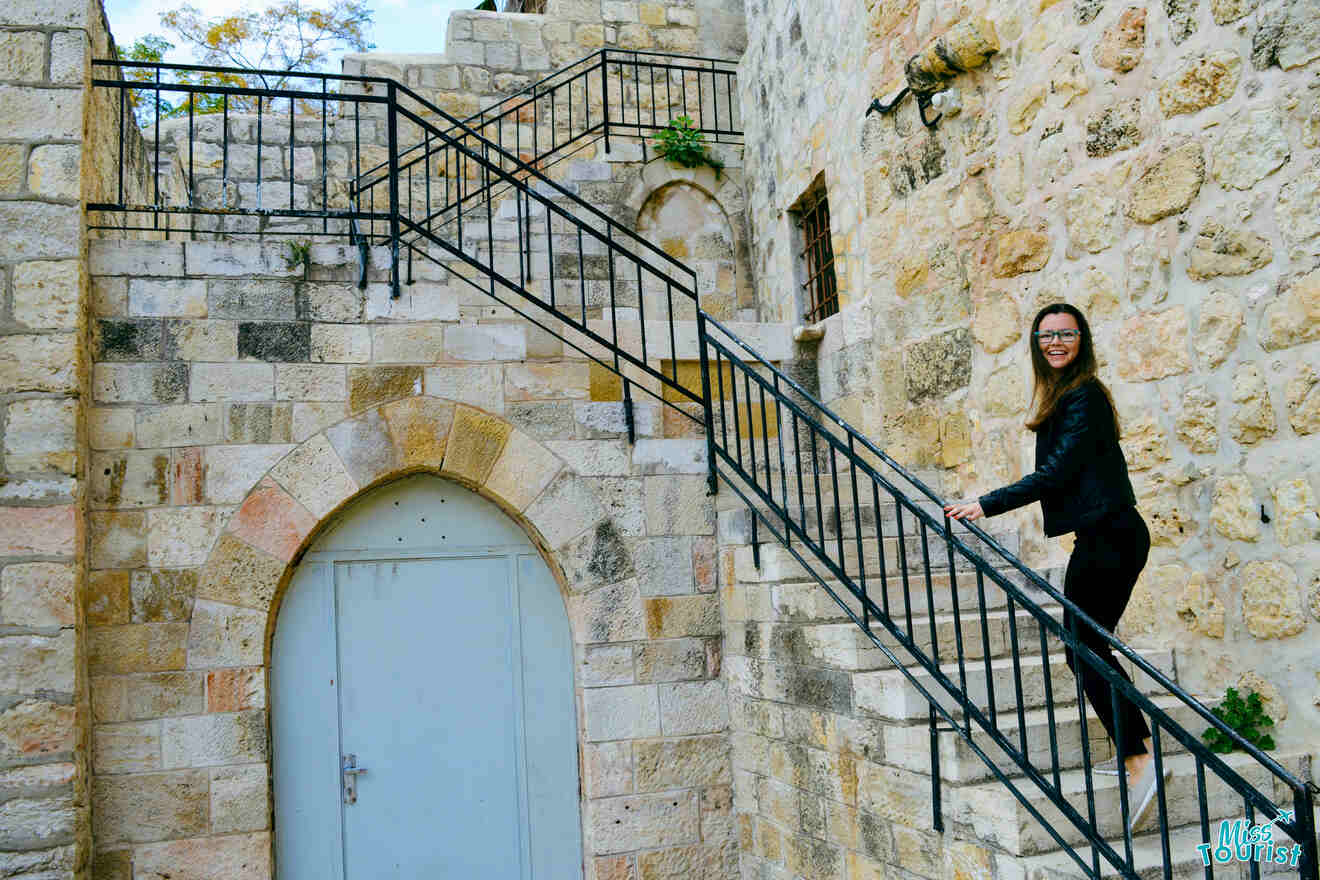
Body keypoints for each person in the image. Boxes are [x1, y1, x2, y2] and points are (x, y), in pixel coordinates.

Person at [943, 302, 1163, 834]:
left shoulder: (1083, 395)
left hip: (1111, 535)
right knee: (1088, 646)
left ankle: (1138, 760)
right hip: (1107, 534)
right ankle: (1136, 747)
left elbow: (1056, 472)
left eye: (1066, 333)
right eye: (1046, 335)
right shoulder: (1068, 395)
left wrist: (986, 503)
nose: (1055, 342)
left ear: (1082, 339)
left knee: (1081, 647)